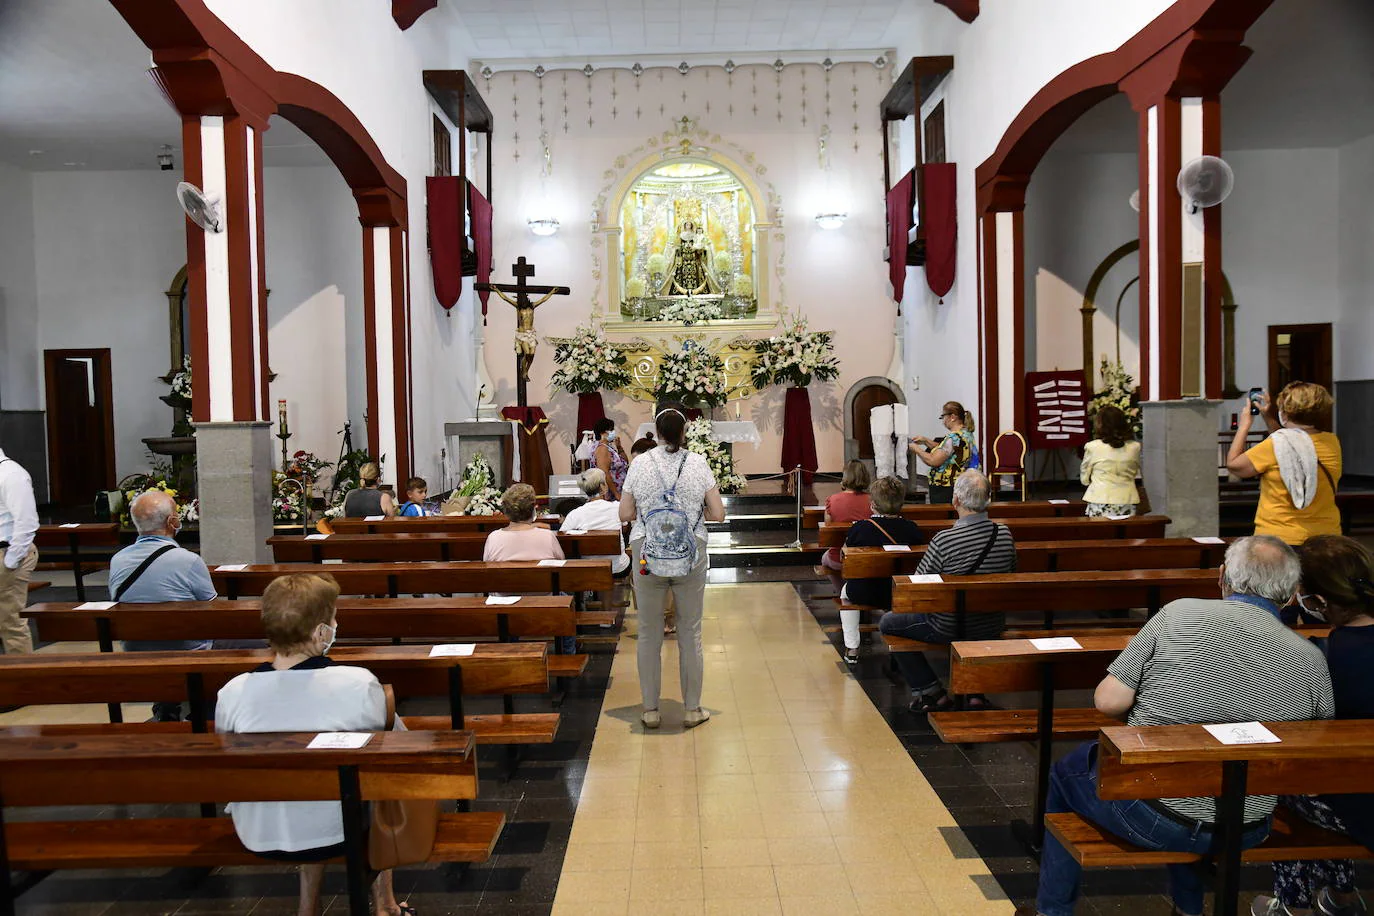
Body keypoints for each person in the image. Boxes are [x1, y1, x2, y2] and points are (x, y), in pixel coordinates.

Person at [1030, 536, 1335, 916]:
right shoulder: (1310, 659)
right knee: (1199, 779)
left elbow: (1107, 702)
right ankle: (1188, 910)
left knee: (1065, 775)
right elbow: (1317, 744)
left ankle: (1052, 911)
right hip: (1250, 822)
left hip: (1153, 816)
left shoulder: (1177, 614)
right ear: (1291, 595)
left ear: (1222, 577)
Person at [216, 573, 407, 916]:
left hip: (260, 826)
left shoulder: (233, 691)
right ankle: (386, 907)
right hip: (335, 824)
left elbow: (227, 756)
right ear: (321, 632)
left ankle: (309, 908)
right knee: (378, 779)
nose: (337, 623)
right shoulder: (356, 683)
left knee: (318, 781)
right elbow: (400, 746)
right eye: (334, 617)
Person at [1251, 535, 1374, 916]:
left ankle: (1292, 903)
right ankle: (1342, 895)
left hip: (1362, 804)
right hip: (1362, 788)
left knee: (1281, 783)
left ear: (1317, 602)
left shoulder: (1326, 657)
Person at [620, 405, 726, 730]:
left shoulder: (640, 464)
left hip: (646, 553)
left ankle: (651, 710)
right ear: (683, 433)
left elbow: (625, 513)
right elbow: (719, 513)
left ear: (657, 432)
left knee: (649, 633)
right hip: (691, 551)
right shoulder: (697, 463)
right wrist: (694, 515)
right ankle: (692, 709)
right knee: (690, 632)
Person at [877, 470, 1015, 710]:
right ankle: (975, 693)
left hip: (948, 625)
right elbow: (1010, 573)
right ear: (988, 500)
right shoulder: (1004, 534)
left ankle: (930, 691)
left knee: (888, 623)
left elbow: (917, 585)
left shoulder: (945, 540)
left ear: (956, 501)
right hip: (991, 621)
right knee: (975, 620)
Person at [108, 490, 218, 721]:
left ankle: (167, 703)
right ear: (172, 522)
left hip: (136, 646)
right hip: (188, 649)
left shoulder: (118, 560)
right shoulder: (188, 560)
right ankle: (210, 706)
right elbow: (212, 610)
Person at [1227, 382, 1342, 545]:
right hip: (1325, 535)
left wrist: (1245, 425)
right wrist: (1267, 416)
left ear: (1285, 412)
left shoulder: (1273, 446)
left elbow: (1235, 465)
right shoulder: (1331, 442)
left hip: (1280, 537)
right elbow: (1290, 444)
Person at [838, 475, 921, 665]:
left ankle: (852, 647)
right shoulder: (912, 529)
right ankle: (898, 644)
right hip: (900, 591)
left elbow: (845, 558)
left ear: (872, 504)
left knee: (845, 593)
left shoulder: (861, 528)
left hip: (865, 591)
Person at [483, 484, 568, 651]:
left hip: (505, 599)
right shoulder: (546, 536)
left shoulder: (494, 538)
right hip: (544, 597)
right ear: (533, 510)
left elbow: (488, 569)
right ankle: (567, 650)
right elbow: (561, 562)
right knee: (567, 600)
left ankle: (510, 645)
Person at [0, 446, 38, 656]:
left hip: (6, 553)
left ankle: (23, 680)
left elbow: (27, 523)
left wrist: (11, 562)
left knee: (10, 623)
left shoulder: (11, 474)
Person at [817, 460, 873, 598]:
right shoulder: (873, 501)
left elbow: (828, 530)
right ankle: (856, 590)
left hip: (839, 558)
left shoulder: (833, 500)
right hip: (867, 557)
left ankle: (843, 590)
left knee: (826, 558)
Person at [560, 468, 630, 578]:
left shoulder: (575, 514)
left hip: (589, 567)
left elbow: (563, 539)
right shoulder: (617, 507)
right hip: (618, 567)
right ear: (603, 486)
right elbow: (625, 528)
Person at [909, 400, 977, 504]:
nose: (943, 421)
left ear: (952, 417)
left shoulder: (953, 437)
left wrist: (915, 449)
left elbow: (933, 460)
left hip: (946, 488)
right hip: (962, 484)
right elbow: (949, 452)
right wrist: (926, 441)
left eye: (943, 417)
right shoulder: (965, 434)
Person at [1079, 404, 1141, 517]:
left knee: (1100, 534)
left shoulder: (1092, 447)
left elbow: (1084, 478)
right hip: (1127, 499)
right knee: (1127, 533)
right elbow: (1135, 471)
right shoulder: (1135, 447)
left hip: (1099, 498)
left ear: (1100, 424)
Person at [592, 418, 630, 500]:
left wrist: (619, 447)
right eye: (611, 430)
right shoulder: (602, 449)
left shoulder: (609, 447)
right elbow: (604, 473)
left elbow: (625, 462)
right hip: (611, 494)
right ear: (602, 432)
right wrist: (616, 494)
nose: (613, 432)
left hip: (620, 490)